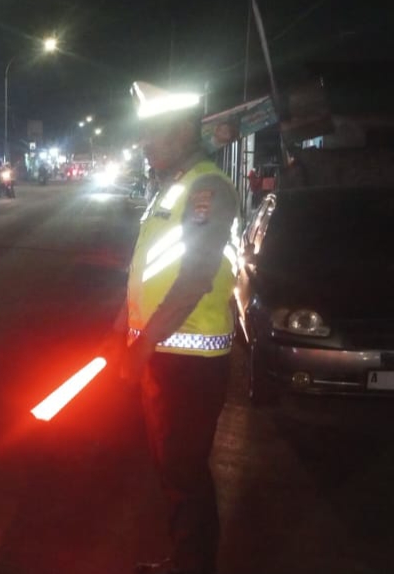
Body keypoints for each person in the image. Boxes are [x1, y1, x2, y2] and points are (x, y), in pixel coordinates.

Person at [120, 81, 238, 574]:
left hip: (191, 361)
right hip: (166, 356)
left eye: (156, 132)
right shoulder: (171, 187)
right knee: (173, 471)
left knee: (185, 473)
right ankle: (185, 559)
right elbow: (147, 269)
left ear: (186, 131)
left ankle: (193, 566)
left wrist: (144, 344)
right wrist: (122, 328)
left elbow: (193, 279)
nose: (145, 142)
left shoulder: (208, 189)